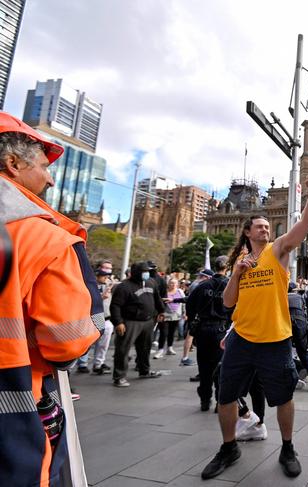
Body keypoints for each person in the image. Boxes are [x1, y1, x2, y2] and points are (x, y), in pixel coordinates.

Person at [0, 112, 102, 485]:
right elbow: (68, 343)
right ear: (13, 163)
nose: (49, 177)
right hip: (12, 409)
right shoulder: (42, 237)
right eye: (43, 166)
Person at [200, 173, 308, 480]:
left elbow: (304, 225)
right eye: (260, 226)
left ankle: (288, 447)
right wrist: (237, 274)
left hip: (276, 338)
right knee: (226, 397)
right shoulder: (239, 261)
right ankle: (229, 448)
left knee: (283, 397)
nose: (266, 228)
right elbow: (228, 303)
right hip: (241, 338)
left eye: (268, 225)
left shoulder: (278, 250)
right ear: (248, 231)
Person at [186, 256, 231, 412]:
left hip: (204, 330)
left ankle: (205, 399)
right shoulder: (230, 286)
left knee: (204, 367)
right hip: (222, 331)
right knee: (221, 368)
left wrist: (193, 323)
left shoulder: (202, 286)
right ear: (227, 267)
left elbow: (190, 306)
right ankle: (220, 401)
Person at [110, 261, 165, 387]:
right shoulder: (124, 286)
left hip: (148, 321)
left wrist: (161, 310)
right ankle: (119, 377)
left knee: (145, 348)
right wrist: (118, 322)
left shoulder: (151, 282)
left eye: (147, 271)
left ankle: (144, 371)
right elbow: (115, 306)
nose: (146, 274)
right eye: (143, 272)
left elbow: (157, 298)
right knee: (123, 350)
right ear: (135, 273)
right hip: (130, 322)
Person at [76, 265, 115, 374]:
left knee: (103, 344)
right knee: (86, 343)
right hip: (90, 318)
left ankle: (99, 363)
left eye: (106, 276)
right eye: (103, 276)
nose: (105, 278)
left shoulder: (107, 286)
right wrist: (101, 297)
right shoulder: (88, 286)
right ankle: (82, 363)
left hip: (105, 318)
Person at [154, 278, 185, 358]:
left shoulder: (180, 291)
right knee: (163, 333)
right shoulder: (164, 292)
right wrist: (159, 313)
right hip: (165, 315)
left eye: (175, 283)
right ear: (168, 284)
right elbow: (158, 303)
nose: (173, 285)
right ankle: (160, 350)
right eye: (171, 283)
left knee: (171, 333)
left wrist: (184, 313)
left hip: (176, 315)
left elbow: (184, 302)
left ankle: (169, 348)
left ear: (177, 284)